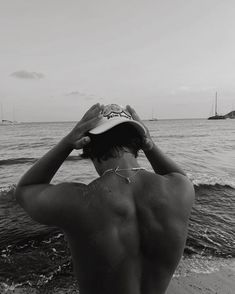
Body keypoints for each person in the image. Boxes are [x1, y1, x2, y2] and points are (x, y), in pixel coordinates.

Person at [15, 103, 195, 294]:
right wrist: (151, 146)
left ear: (88, 148)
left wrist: (67, 143)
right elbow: (179, 176)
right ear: (139, 144)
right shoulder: (180, 190)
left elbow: (26, 189)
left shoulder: (80, 201)